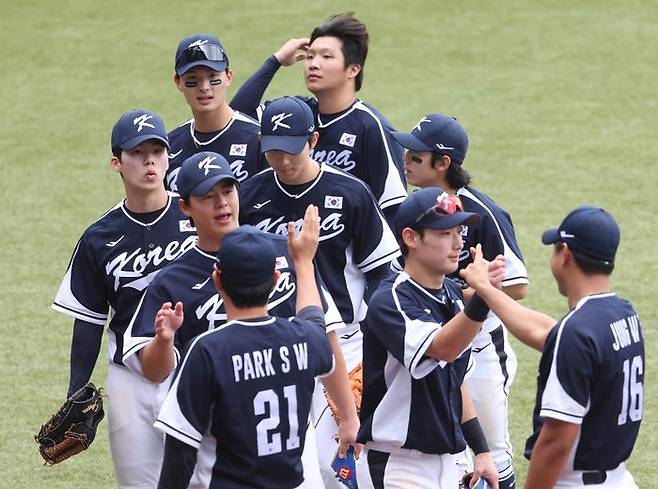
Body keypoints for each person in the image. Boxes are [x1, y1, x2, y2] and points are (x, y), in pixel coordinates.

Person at [122, 151, 358, 488]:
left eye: (228, 192)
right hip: (214, 447)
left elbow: (329, 336)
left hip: (290, 446)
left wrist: (347, 417)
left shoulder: (281, 253)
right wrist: (163, 341)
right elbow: (153, 371)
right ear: (186, 207)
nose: (222, 204)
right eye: (208, 197)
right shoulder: (172, 281)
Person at [239, 96, 401, 487]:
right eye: (273, 150)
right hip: (275, 343)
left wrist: (377, 338)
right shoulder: (249, 196)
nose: (283, 160)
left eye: (291, 149)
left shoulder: (350, 192)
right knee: (286, 464)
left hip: (343, 343)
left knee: (344, 466)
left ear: (312, 139)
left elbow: (381, 271)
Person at [52, 109, 197, 488]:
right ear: (117, 162)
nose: (149, 160)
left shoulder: (198, 216)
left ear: (168, 158)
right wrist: (77, 390)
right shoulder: (99, 237)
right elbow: (88, 318)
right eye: (137, 152)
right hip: (131, 376)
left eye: (157, 150)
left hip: (198, 367)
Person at [461, 206, 643, 489]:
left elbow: (556, 441)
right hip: (618, 479)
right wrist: (485, 289)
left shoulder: (577, 333)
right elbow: (546, 331)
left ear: (565, 255)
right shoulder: (622, 314)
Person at [391, 113, 528, 488]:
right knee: (455, 457)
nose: (405, 161)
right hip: (427, 341)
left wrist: (475, 290)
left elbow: (517, 284)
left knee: (492, 452)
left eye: (416, 157)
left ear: (443, 163)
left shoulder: (483, 213)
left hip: (481, 348)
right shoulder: (416, 207)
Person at [154, 216, 334, 489]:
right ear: (276, 280)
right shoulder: (305, 338)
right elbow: (315, 319)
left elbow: (181, 455)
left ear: (218, 279)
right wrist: (304, 263)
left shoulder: (207, 350)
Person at [356, 187, 500, 489]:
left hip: (448, 461)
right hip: (397, 465)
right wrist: (483, 297)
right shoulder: (390, 299)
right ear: (411, 238)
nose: (458, 242)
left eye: (460, 231)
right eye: (445, 233)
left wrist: (482, 451)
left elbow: (456, 382)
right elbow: (442, 349)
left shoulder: (452, 296)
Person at [230, 13, 407, 225]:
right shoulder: (296, 113)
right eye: (310, 56)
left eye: (326, 56)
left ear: (353, 69)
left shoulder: (372, 127)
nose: (313, 64)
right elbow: (237, 119)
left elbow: (392, 208)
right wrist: (275, 61)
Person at [166, 33, 266, 191]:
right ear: (178, 82)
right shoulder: (169, 146)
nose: (204, 87)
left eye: (213, 76)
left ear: (228, 76)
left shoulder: (258, 140)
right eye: (193, 78)